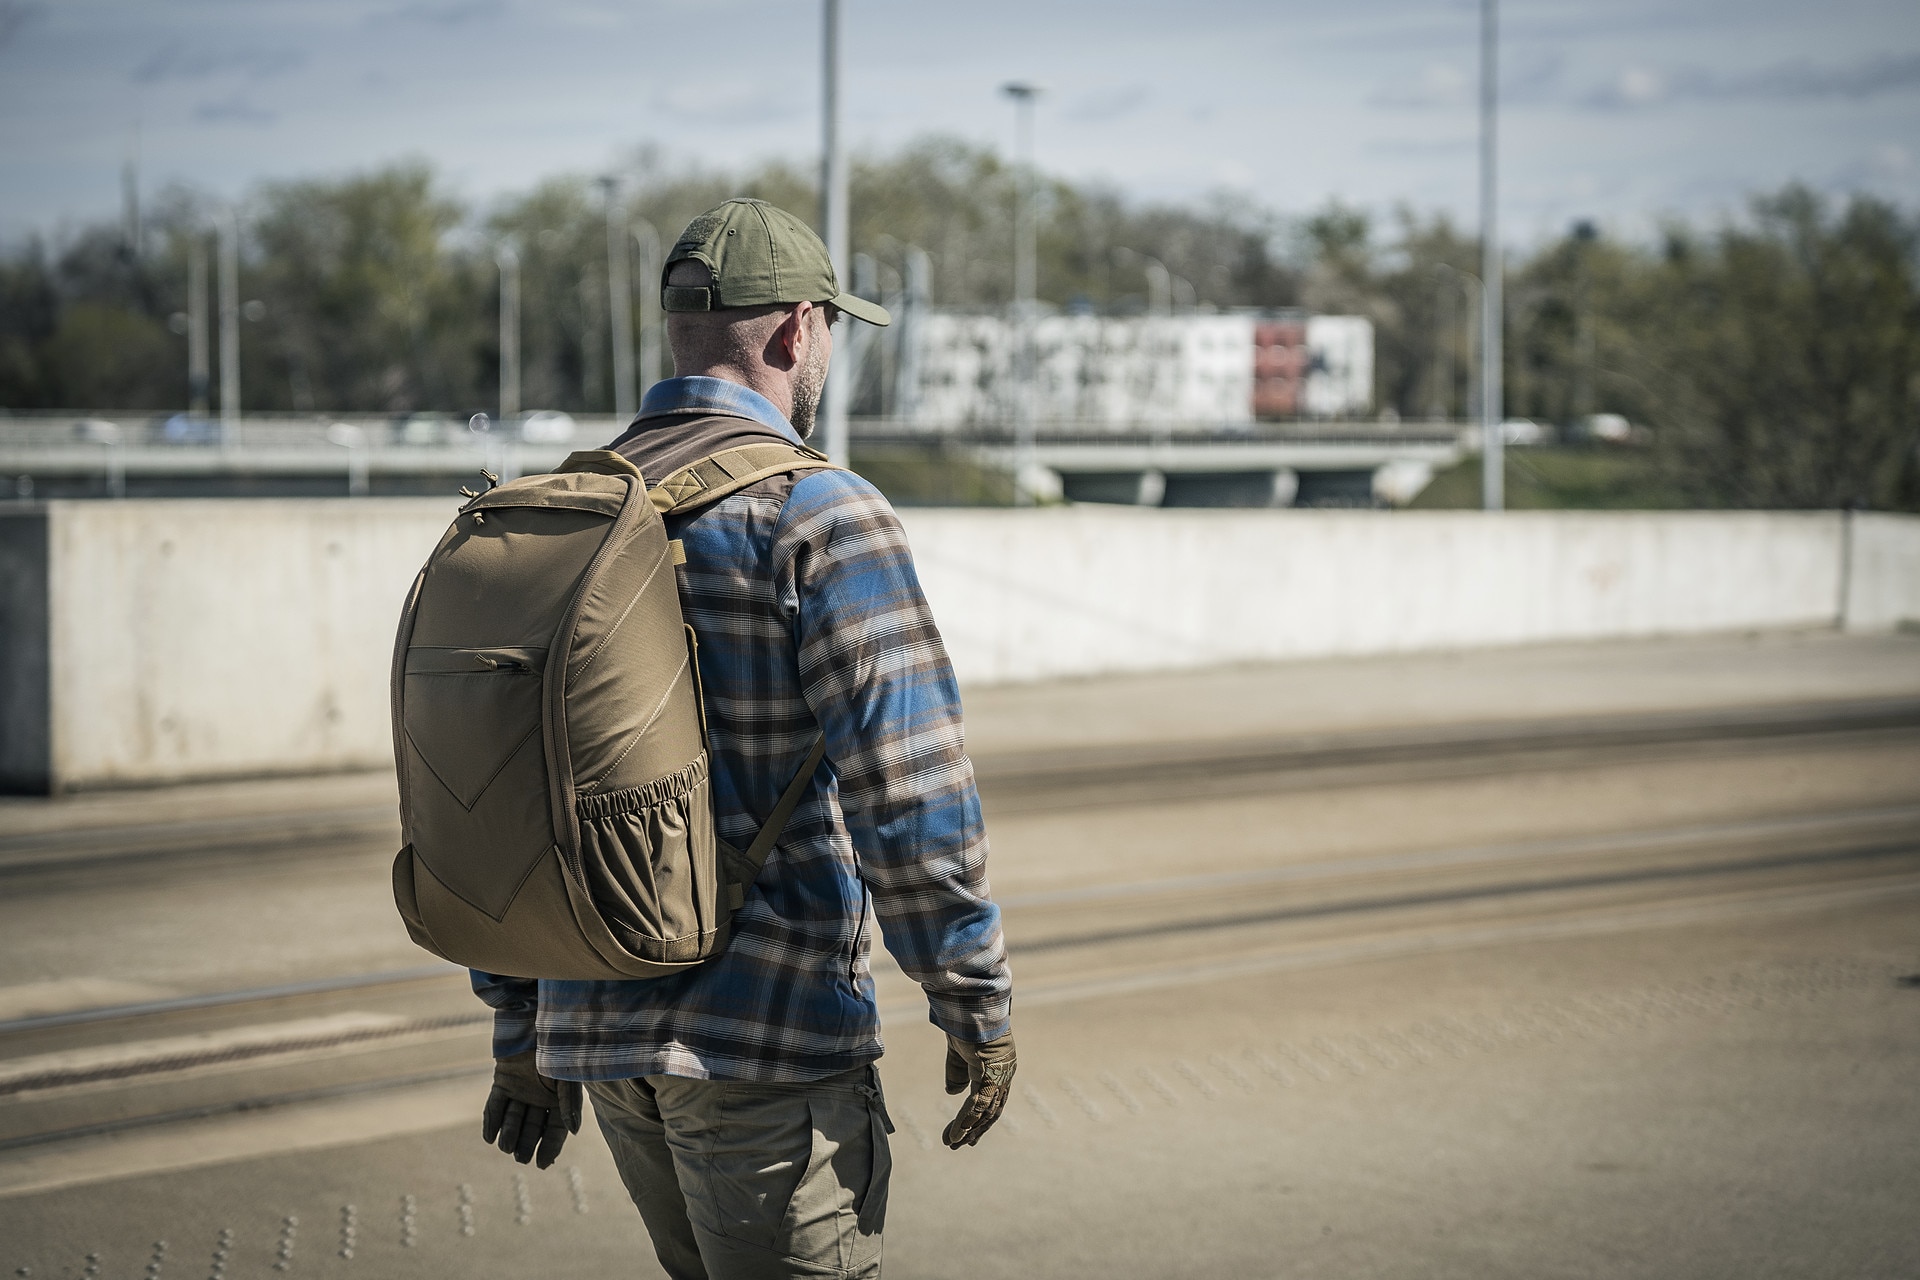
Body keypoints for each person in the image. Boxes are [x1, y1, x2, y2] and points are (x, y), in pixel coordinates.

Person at [470, 197, 1016, 1280]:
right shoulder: (819, 511)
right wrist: (973, 997)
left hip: (598, 1032)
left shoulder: (565, 507)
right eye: (831, 335)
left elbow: (503, 791)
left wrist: (522, 1029)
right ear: (797, 330)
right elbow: (909, 790)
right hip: (765, 1039)